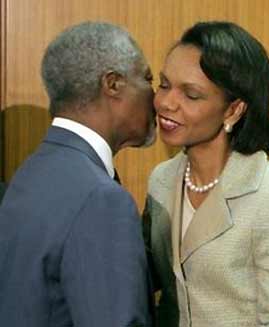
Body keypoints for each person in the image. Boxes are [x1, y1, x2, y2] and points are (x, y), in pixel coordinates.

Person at [143, 21, 269, 327]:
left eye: (191, 95)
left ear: (233, 110)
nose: (166, 103)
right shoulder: (161, 180)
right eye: (165, 84)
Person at [0, 22, 156, 327]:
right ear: (113, 84)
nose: (158, 97)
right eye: (147, 78)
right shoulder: (101, 199)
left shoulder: (32, 173)